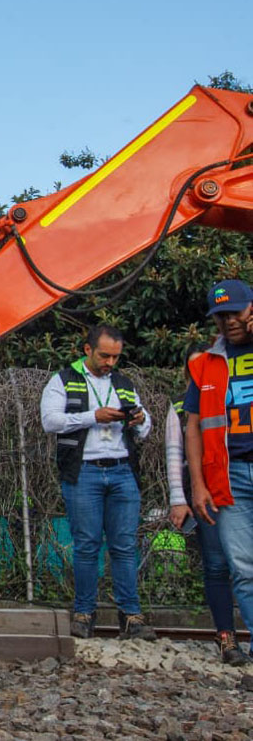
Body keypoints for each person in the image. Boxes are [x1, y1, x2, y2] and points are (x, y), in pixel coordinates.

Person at [40, 324, 154, 640]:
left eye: (116, 357)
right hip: (84, 472)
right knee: (87, 545)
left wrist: (141, 419)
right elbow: (50, 421)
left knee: (124, 546)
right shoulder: (62, 380)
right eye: (105, 356)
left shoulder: (123, 383)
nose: (110, 363)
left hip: (122, 470)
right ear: (87, 349)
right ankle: (84, 614)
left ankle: (131, 616)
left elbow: (146, 431)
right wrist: (94, 416)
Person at [168, 346, 248, 664]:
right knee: (217, 565)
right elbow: (174, 453)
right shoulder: (180, 406)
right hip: (206, 493)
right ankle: (226, 637)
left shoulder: (235, 394)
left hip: (232, 484)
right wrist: (179, 498)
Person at [186, 280, 253, 662]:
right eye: (221, 315)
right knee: (243, 569)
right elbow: (193, 425)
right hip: (231, 479)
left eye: (236, 311)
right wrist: (197, 484)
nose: (229, 320)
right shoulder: (205, 363)